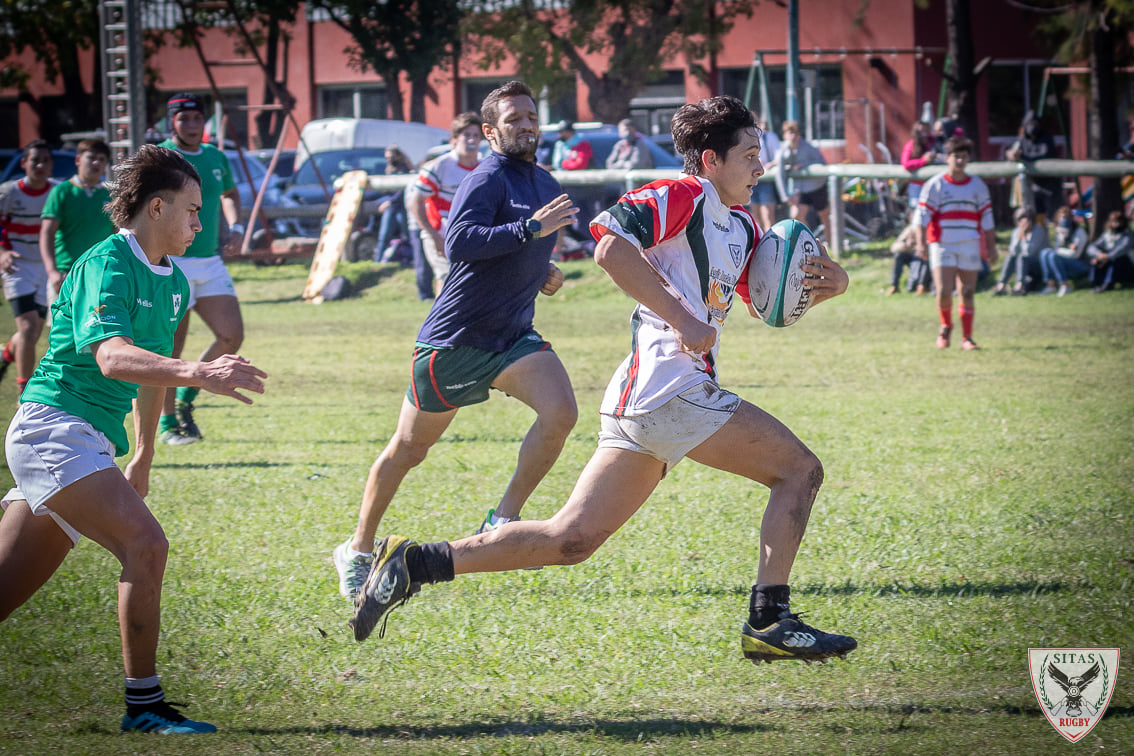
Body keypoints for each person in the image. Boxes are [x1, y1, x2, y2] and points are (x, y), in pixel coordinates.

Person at [348, 94, 858, 667]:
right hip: (669, 388)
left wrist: (828, 286)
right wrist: (683, 319)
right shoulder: (680, 195)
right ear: (710, 160)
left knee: (571, 541)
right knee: (799, 470)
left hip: (652, 398)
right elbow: (610, 246)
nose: (760, 166)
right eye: (748, 154)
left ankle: (412, 563)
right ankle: (769, 620)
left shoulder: (739, 225)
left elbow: (763, 300)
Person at [0, 145, 267, 735]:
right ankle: (144, 707)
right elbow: (115, 357)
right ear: (155, 207)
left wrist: (143, 453)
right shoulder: (108, 263)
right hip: (52, 428)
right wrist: (201, 372)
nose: (201, 223)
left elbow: (151, 371)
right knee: (146, 546)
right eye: (192, 210)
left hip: (90, 441)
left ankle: (143, 707)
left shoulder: (172, 283)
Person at [332, 81, 581, 601]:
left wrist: (543, 270)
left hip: (512, 337)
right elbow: (460, 242)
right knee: (408, 449)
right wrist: (529, 232)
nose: (527, 125)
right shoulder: (485, 177)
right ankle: (356, 550)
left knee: (561, 413)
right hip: (457, 341)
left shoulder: (543, 180)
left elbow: (519, 247)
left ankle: (502, 519)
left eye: (531, 116)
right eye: (513, 118)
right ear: (490, 131)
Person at [157, 92, 244, 445]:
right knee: (169, 349)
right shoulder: (163, 157)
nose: (192, 125)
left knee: (231, 335)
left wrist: (236, 227)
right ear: (172, 122)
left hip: (209, 260)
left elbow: (229, 194)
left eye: (197, 119)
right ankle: (166, 425)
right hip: (171, 261)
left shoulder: (215, 156)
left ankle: (186, 397)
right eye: (184, 119)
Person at [916, 136, 997, 350]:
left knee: (968, 291)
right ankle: (945, 326)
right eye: (955, 156)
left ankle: (967, 338)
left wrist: (991, 246)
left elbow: (987, 217)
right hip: (942, 244)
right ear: (947, 158)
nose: (959, 161)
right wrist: (921, 244)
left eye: (963, 156)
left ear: (968, 158)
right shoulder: (936, 185)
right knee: (943, 291)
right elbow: (922, 217)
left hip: (969, 242)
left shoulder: (977, 186)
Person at [0, 140, 56, 390]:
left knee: (31, 334)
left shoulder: (58, 191)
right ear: (24, 163)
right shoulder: (8, 193)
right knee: (29, 326)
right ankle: (25, 391)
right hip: (17, 266)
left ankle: (6, 354)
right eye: (35, 160)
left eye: (46, 159)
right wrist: (2, 252)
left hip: (47, 267)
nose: (41, 165)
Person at [407, 112, 483, 296]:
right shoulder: (439, 166)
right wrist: (434, 235)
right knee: (447, 279)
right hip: (441, 233)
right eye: (466, 135)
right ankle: (442, 323)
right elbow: (414, 203)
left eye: (476, 135)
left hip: (470, 236)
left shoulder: (483, 168)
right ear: (454, 139)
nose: (471, 140)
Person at [39, 138, 115, 295]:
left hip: (102, 273)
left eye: (101, 160)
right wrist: (52, 271)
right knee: (63, 320)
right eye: (91, 158)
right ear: (78, 160)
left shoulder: (111, 195)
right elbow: (46, 233)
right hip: (66, 275)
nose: (96, 163)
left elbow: (118, 234)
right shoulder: (62, 191)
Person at [1006, 111, 1062, 225]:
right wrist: (1011, 154)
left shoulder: (1046, 138)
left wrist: (1023, 157)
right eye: (1029, 123)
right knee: (1034, 216)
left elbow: (1044, 156)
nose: (1032, 126)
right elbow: (1012, 153)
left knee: (1052, 217)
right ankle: (1039, 235)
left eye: (1034, 123)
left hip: (1049, 185)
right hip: (1032, 185)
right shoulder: (1022, 140)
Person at [777, 121, 829, 236]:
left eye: (794, 133)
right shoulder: (783, 151)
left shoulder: (808, 147)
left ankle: (831, 244)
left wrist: (804, 165)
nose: (792, 136)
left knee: (824, 216)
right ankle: (811, 240)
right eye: (789, 133)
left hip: (817, 186)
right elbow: (779, 174)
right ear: (785, 135)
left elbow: (822, 163)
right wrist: (786, 196)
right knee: (796, 216)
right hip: (801, 188)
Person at [992, 207, 1049, 296]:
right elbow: (1013, 251)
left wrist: (1026, 235)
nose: (1024, 221)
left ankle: (1020, 285)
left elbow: (1030, 252)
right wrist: (1021, 234)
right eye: (1021, 218)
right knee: (1010, 256)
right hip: (1022, 264)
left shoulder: (1038, 230)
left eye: (1027, 218)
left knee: (1022, 257)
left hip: (1038, 265)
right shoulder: (1016, 231)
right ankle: (1001, 285)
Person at [1038, 206, 1090, 296]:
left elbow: (1075, 254)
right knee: (1044, 253)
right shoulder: (1060, 232)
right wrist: (1062, 238)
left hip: (1080, 264)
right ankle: (1051, 285)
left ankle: (1064, 285)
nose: (1064, 220)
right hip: (1063, 260)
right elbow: (1057, 249)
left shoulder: (1079, 232)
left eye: (1066, 217)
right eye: (1061, 217)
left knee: (1053, 255)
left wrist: (1059, 249)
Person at [374, 145, 414, 264]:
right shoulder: (389, 169)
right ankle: (378, 261)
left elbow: (402, 191)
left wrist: (390, 201)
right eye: (387, 158)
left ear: (398, 156)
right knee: (384, 235)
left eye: (391, 157)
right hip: (392, 207)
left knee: (407, 235)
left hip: (402, 207)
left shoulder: (405, 170)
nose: (389, 160)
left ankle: (409, 259)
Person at [747, 113, 781, 231]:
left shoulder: (768, 137)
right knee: (755, 217)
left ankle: (772, 246)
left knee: (767, 216)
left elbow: (778, 157)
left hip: (766, 179)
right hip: (749, 180)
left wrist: (768, 165)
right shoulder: (743, 139)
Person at [1086, 210, 1134, 293]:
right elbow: (1091, 247)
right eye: (1114, 222)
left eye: (1118, 222)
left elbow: (1121, 250)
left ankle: (1108, 284)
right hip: (1108, 259)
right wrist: (1099, 255)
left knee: (1115, 260)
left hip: (1127, 266)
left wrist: (1106, 257)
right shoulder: (1107, 234)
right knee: (1095, 260)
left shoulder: (1128, 235)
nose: (1116, 224)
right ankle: (1096, 284)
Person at [885, 210, 931, 295]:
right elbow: (895, 246)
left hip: (926, 257)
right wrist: (907, 245)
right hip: (913, 255)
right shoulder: (910, 229)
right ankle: (894, 286)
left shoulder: (930, 228)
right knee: (899, 256)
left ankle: (922, 287)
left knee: (926, 257)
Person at [900, 121, 939, 207]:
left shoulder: (934, 143)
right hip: (917, 185)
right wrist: (924, 160)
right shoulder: (911, 145)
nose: (925, 135)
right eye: (922, 132)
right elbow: (906, 164)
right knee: (917, 211)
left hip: (934, 184)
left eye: (926, 131)